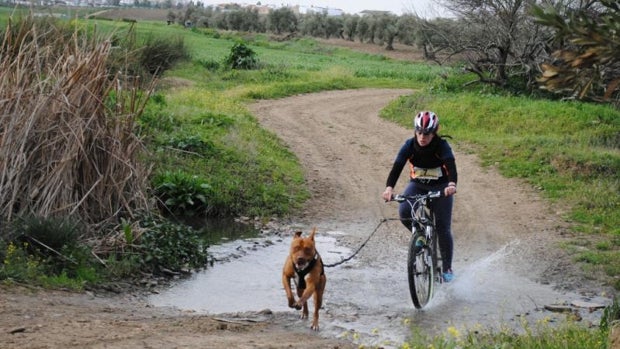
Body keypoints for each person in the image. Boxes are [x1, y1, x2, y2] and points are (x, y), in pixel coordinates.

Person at [381, 111, 458, 282]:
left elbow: (451, 166)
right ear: (415, 131)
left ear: (434, 132)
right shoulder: (409, 145)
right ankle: (421, 236)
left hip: (441, 187)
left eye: (427, 133)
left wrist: (451, 184)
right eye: (419, 132)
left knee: (443, 227)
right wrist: (389, 188)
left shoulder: (441, 146)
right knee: (404, 211)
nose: (422, 137)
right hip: (417, 185)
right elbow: (397, 167)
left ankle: (447, 268)